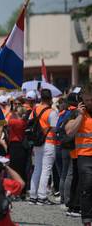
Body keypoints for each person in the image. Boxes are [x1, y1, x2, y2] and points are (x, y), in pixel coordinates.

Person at [65, 84, 92, 226]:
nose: (89, 103)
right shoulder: (77, 113)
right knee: (87, 186)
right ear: (82, 100)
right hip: (84, 156)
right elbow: (69, 132)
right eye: (87, 100)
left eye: (91, 100)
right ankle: (87, 219)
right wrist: (80, 116)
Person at [29, 88, 58, 205]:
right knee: (46, 170)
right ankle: (42, 197)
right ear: (50, 99)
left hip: (36, 143)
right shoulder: (52, 112)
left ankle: (33, 196)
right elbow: (55, 129)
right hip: (49, 143)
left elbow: (30, 122)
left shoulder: (35, 109)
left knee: (37, 169)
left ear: (41, 98)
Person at [7, 106, 29, 200]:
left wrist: (12, 113)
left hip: (14, 146)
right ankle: (22, 192)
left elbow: (7, 121)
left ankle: (14, 192)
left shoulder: (15, 122)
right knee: (22, 169)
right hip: (22, 146)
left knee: (14, 170)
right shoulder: (24, 122)